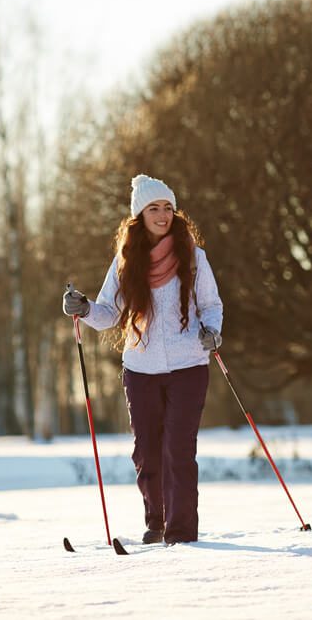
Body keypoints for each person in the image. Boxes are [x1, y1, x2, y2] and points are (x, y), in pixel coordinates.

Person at [63, 173, 223, 545]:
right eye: (155, 208)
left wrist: (211, 331)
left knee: (178, 450)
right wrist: (83, 308)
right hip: (141, 369)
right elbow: (107, 312)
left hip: (189, 365)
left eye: (168, 208)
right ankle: (157, 523)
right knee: (148, 452)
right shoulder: (126, 261)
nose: (163, 215)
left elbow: (212, 305)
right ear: (140, 215)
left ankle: (181, 533)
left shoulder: (194, 257)